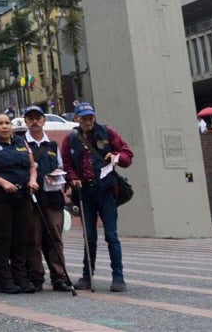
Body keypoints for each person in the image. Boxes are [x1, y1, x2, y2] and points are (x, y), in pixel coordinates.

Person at [61, 101, 134, 292]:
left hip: (107, 190)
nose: (88, 121)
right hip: (85, 192)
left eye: (90, 117)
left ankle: (118, 277)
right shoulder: (71, 139)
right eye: (84, 118)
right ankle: (87, 276)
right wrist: (73, 178)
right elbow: (67, 165)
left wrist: (117, 158)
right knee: (89, 236)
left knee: (111, 235)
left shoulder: (107, 132)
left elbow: (127, 153)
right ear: (76, 118)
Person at [0, 112, 37, 294]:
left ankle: (21, 277)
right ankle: (5, 279)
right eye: (0, 124)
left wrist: (33, 180)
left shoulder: (21, 142)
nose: (5, 126)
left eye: (7, 123)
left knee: (21, 238)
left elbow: (32, 166)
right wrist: (2, 182)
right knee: (2, 239)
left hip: (22, 196)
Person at [22, 106, 71, 292]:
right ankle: (36, 276)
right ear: (26, 122)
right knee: (33, 239)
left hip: (53, 198)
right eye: (31, 118)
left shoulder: (52, 146)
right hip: (32, 199)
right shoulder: (21, 144)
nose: (35, 122)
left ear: (43, 121)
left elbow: (61, 167)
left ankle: (59, 277)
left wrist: (58, 175)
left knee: (55, 239)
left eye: (38, 118)